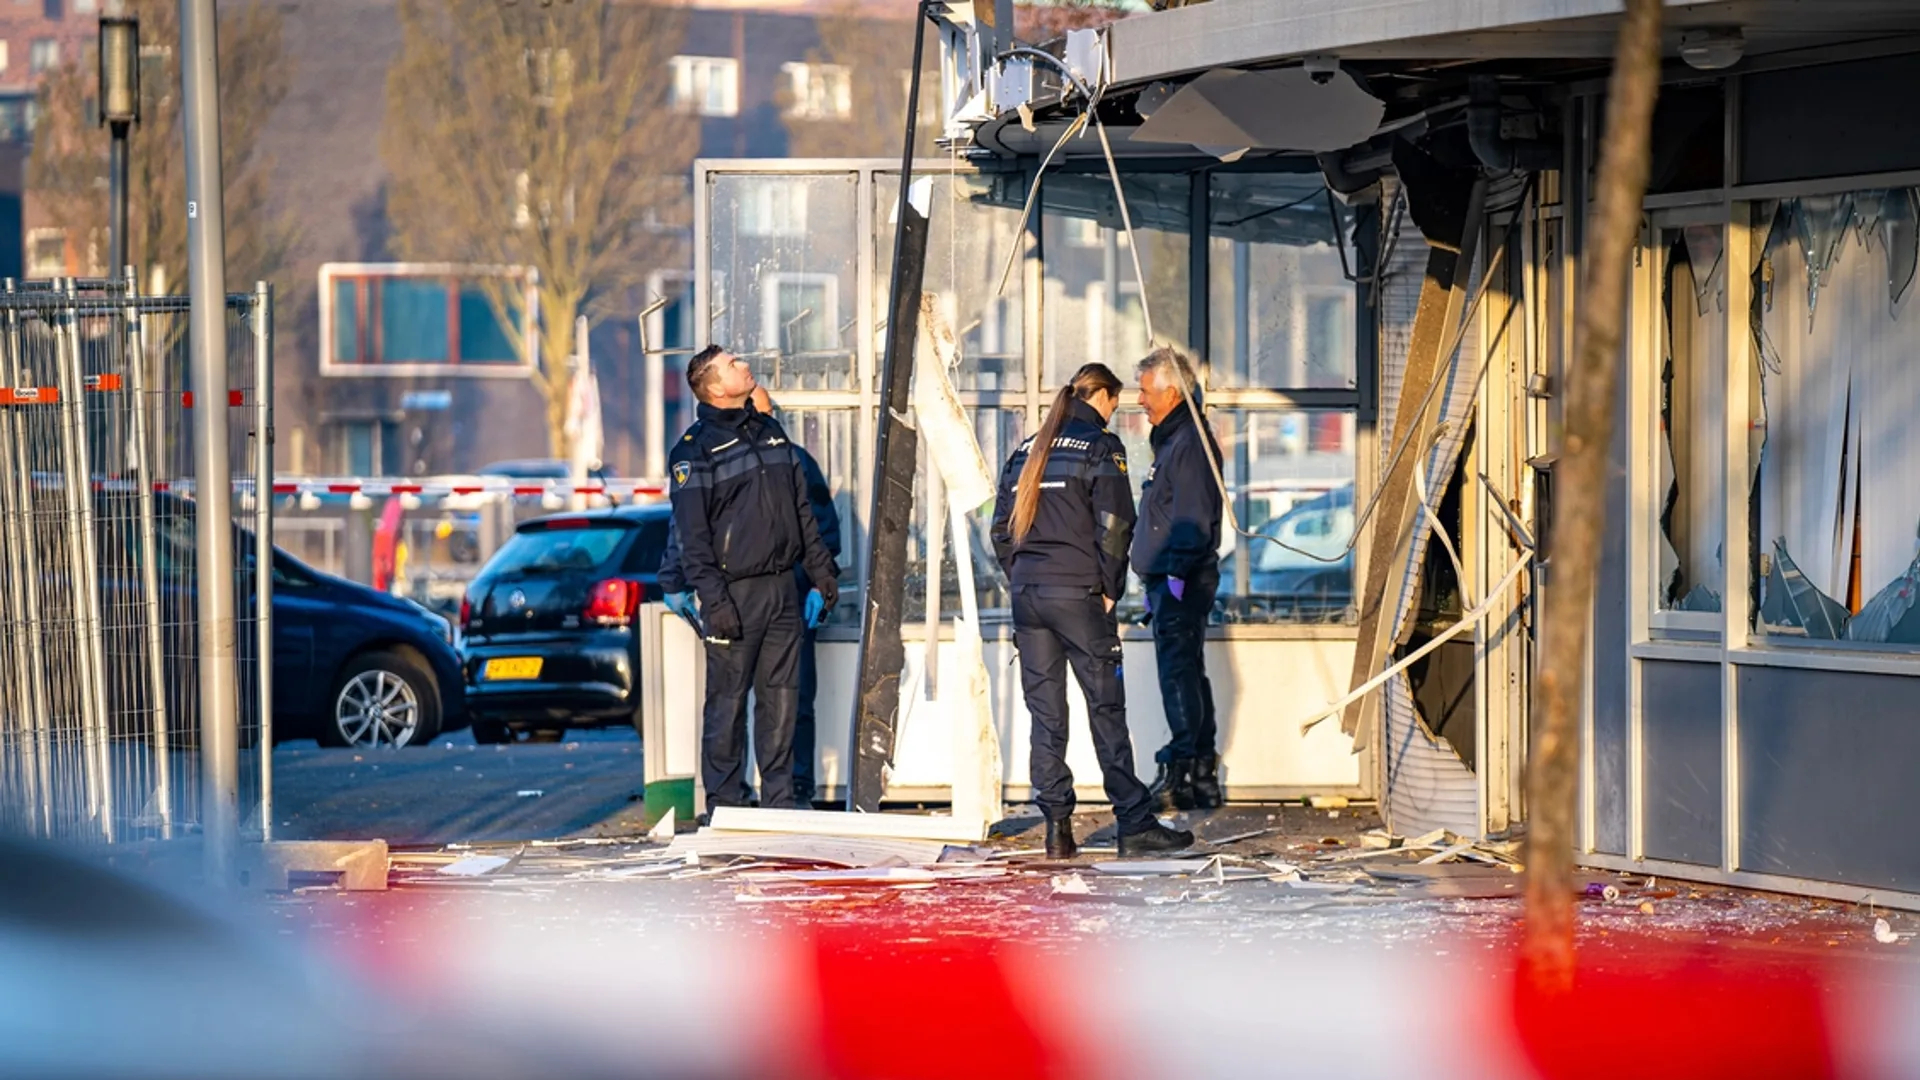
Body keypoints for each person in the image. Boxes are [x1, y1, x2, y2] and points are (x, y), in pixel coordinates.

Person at [990, 362, 1193, 859]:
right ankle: (1134, 822)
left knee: (1046, 715)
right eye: (1114, 402)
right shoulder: (1101, 447)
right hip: (1078, 595)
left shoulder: (1026, 450)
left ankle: (1057, 830)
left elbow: (1000, 529)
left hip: (1029, 597)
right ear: (1099, 395)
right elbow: (1117, 522)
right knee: (1105, 709)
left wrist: (1022, 575)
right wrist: (1109, 586)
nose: (1115, 413)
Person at [667, 346, 839, 814]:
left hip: (784, 589)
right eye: (733, 364)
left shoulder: (770, 433)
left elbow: (802, 512)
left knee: (782, 701)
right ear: (716, 387)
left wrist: (823, 574)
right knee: (727, 705)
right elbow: (691, 535)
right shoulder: (693, 450)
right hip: (733, 596)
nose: (744, 364)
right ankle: (725, 805)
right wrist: (712, 599)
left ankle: (780, 803)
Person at [1132, 346, 1227, 812]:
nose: (1140, 400)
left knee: (1178, 674)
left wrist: (1172, 576)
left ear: (1172, 392)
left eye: (1146, 391)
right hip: (1173, 578)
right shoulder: (1177, 440)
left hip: (1182, 579)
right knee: (1187, 670)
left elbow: (1191, 520)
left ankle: (1184, 770)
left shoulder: (1188, 443)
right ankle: (1200, 773)